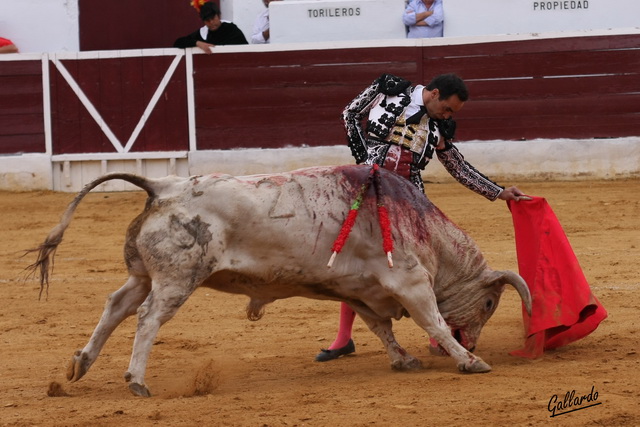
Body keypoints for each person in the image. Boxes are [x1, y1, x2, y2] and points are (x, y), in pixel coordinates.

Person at [315, 73, 528, 362]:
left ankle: (438, 332)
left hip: (410, 201)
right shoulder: (388, 90)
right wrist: (365, 160)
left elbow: (458, 167)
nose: (448, 115)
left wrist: (499, 192)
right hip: (368, 191)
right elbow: (350, 113)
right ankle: (343, 338)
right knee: (356, 261)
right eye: (448, 108)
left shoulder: (439, 126)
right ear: (434, 93)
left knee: (425, 266)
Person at [174, 2, 248, 54]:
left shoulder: (231, 29)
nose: (211, 22)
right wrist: (197, 43)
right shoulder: (203, 33)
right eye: (207, 20)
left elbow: (246, 49)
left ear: (219, 16)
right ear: (203, 21)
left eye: (213, 18)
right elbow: (178, 42)